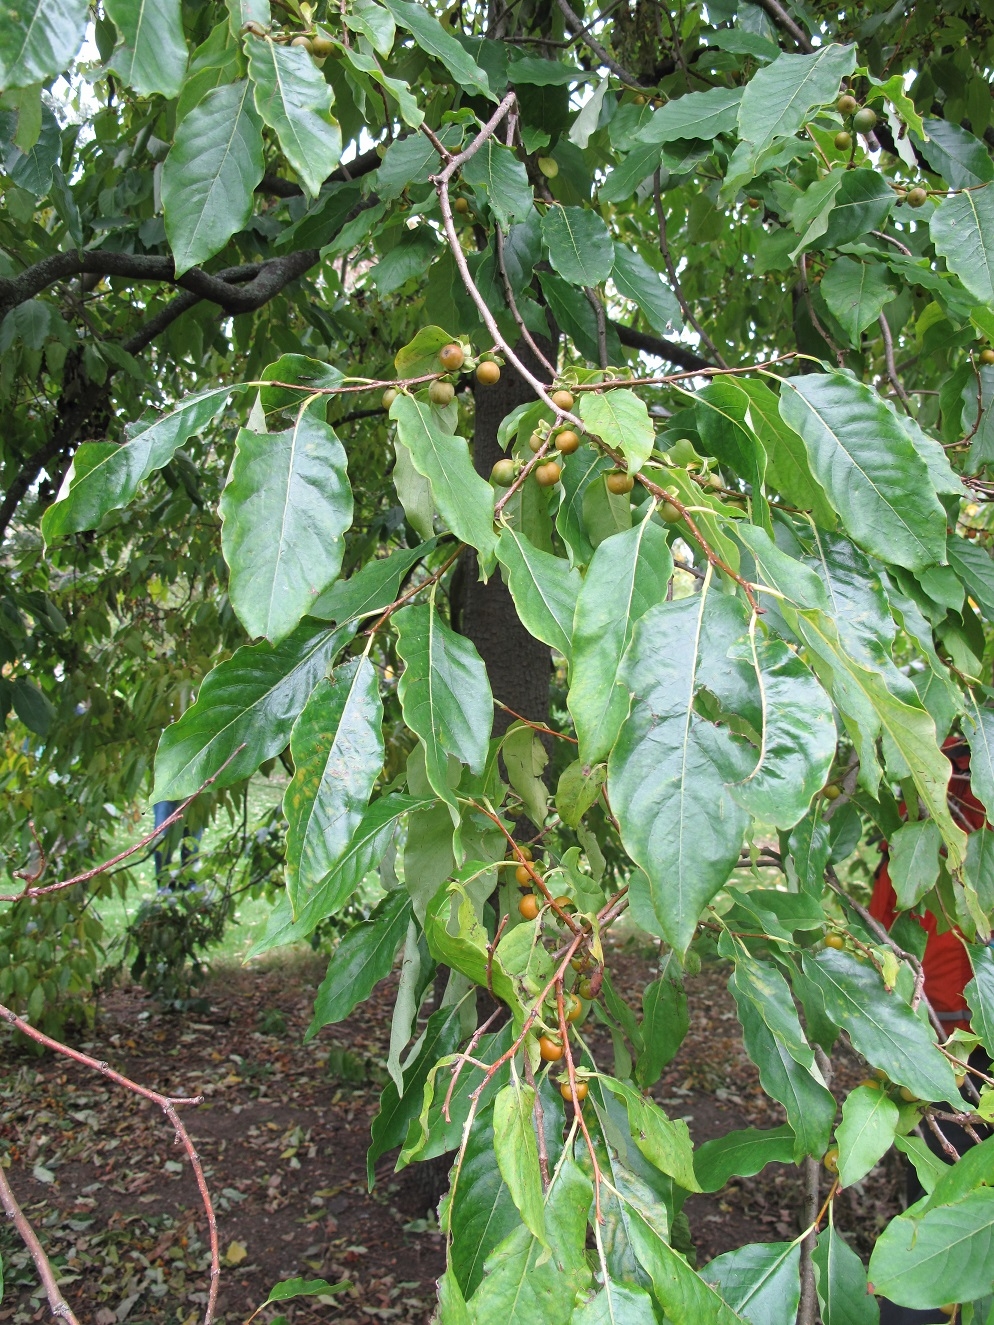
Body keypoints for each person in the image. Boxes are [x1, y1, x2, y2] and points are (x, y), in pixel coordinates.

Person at [868, 735, 989, 1325]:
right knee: (948, 1199)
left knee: (944, 1204)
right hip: (950, 1045)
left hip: (941, 1042)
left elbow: (881, 931)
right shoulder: (925, 832)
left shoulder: (921, 830)